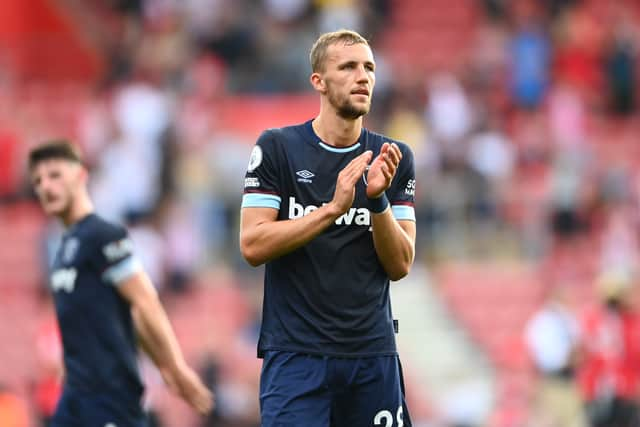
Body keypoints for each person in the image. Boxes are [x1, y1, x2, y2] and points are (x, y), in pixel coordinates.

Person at [239, 29, 416, 426]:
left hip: (371, 356)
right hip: (297, 358)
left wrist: (377, 201)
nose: (363, 76)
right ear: (318, 81)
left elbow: (401, 264)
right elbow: (252, 244)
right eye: (349, 67)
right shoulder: (278, 149)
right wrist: (331, 209)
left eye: (369, 67)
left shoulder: (394, 157)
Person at [28, 141, 213, 427]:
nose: (46, 187)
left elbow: (143, 301)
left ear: (80, 177)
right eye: (39, 180)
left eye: (55, 176)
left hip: (109, 397)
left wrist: (173, 367)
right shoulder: (64, 248)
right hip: (76, 398)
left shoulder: (103, 235)